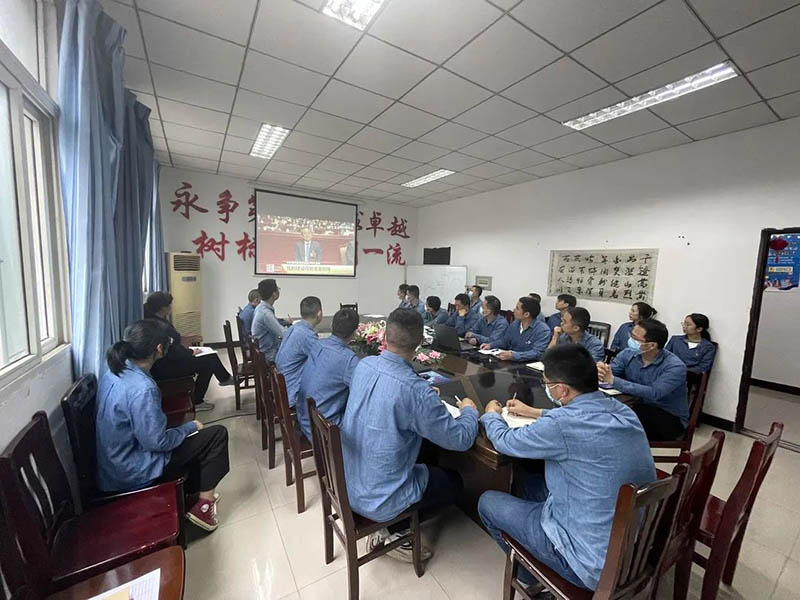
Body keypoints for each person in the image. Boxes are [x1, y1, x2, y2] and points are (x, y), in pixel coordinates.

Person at [477, 345, 656, 591]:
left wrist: (491, 415)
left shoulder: (561, 425)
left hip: (587, 563)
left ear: (561, 389)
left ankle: (531, 575)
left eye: (546, 382)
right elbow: (577, 420)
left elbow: (506, 441)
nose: (546, 386)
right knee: (528, 481)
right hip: (631, 545)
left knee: (487, 502)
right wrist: (535, 412)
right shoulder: (623, 411)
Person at [341, 308, 479, 562]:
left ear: (385, 335)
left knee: (425, 452)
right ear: (420, 343)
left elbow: (386, 398)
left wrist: (423, 399)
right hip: (381, 498)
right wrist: (469, 410)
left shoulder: (364, 365)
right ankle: (396, 530)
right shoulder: (415, 391)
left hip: (348, 484)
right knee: (454, 482)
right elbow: (461, 440)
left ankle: (394, 525)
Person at [96, 319, 230, 532]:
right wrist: (189, 428)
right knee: (216, 435)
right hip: (134, 469)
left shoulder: (114, 371)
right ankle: (204, 506)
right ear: (159, 349)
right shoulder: (143, 388)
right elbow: (158, 443)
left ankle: (193, 492)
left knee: (190, 438)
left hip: (114, 466)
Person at [598, 318, 689, 441]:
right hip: (636, 405)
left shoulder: (675, 366)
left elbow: (654, 392)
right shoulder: (628, 353)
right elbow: (613, 372)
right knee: (602, 412)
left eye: (635, 338)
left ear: (652, 345)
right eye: (631, 335)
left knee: (619, 423)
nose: (630, 340)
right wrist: (602, 370)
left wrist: (614, 380)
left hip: (667, 415)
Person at [144, 291, 233, 411]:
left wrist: (187, 346)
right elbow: (172, 350)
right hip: (167, 367)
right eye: (170, 305)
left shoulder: (152, 320)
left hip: (163, 364)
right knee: (209, 361)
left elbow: (173, 345)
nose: (171, 307)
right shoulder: (160, 326)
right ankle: (200, 398)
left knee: (209, 358)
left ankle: (223, 380)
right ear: (163, 308)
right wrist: (191, 352)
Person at [296, 308, 360, 441]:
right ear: (355, 332)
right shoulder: (349, 360)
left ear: (332, 325)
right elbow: (363, 394)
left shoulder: (318, 344)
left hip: (305, 419)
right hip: (323, 432)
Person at [275, 296, 322, 408]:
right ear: (319, 314)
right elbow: (324, 361)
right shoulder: (306, 335)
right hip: (293, 393)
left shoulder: (294, 328)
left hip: (284, 387)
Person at [481, 296, 551, 362]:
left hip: (528, 364)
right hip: (510, 362)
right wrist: (491, 345)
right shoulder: (515, 324)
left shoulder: (543, 330)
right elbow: (505, 341)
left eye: (517, 308)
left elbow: (537, 353)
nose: (514, 310)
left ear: (526, 314)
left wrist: (514, 355)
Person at [252, 279, 292, 361]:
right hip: (270, 354)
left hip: (265, 350)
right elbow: (284, 334)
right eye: (278, 289)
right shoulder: (266, 314)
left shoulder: (260, 307)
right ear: (274, 294)